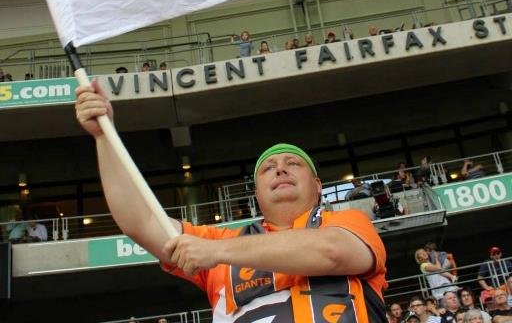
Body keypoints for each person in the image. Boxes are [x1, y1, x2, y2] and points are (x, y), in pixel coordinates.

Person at [75, 80, 388, 322]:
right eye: (268, 168)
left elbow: (331, 252)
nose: (279, 168)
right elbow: (139, 221)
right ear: (256, 194)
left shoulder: (347, 224)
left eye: (293, 163)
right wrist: (104, 136)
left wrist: (216, 252)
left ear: (318, 186)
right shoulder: (221, 243)